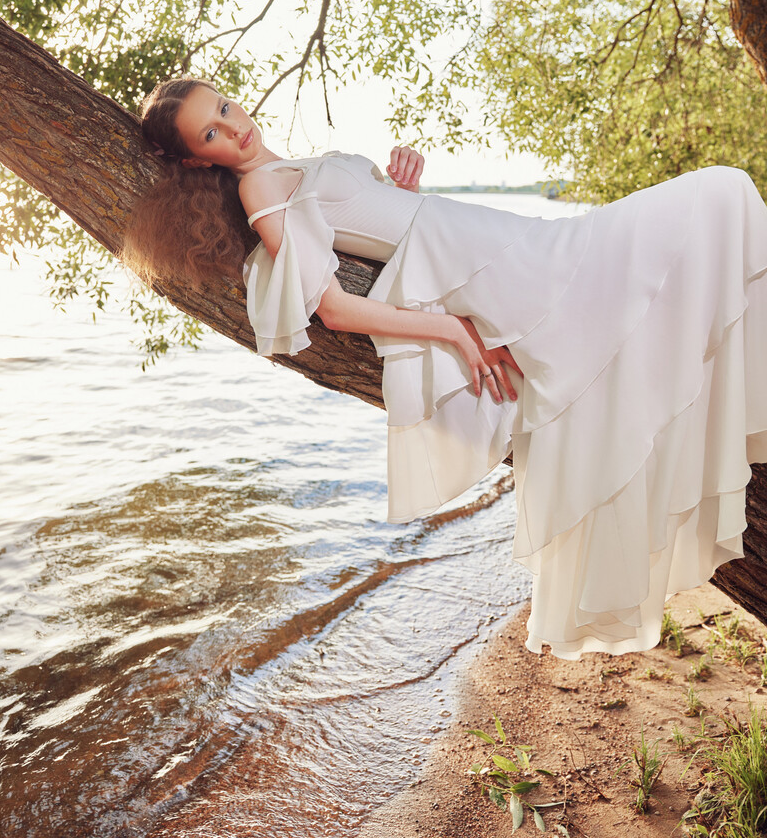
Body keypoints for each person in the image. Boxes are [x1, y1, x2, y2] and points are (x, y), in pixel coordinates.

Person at [123, 77, 767, 660]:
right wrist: (455, 331)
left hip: (495, 242)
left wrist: (398, 190)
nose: (235, 126)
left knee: (698, 235)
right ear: (193, 159)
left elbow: (382, 226)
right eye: (212, 132)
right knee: (718, 195)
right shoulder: (259, 189)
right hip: (491, 268)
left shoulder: (288, 165)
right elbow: (335, 308)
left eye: (226, 106)